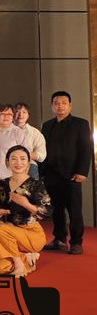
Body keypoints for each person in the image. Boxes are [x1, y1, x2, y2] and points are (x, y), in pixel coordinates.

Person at [41, 91, 93, 255]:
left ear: (70, 106)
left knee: (74, 210)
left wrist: (82, 172)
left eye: (64, 103)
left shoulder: (80, 124)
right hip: (51, 174)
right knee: (56, 210)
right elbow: (42, 150)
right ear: (52, 106)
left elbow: (86, 149)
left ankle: (76, 242)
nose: (60, 106)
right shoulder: (47, 125)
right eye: (56, 103)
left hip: (71, 174)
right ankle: (59, 239)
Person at [0, 145, 52, 276]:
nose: (18, 162)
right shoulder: (1, 184)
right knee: (2, 269)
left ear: (28, 163)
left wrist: (27, 205)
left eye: (22, 159)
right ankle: (25, 256)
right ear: (7, 162)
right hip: (8, 233)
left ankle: (19, 264)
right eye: (14, 159)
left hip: (31, 232)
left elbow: (47, 212)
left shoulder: (36, 185)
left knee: (0, 229)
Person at [0, 104, 27, 181]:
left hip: (10, 175)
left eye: (9, 114)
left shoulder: (17, 132)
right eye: (2, 114)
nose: (6, 116)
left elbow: (26, 155)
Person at [13, 102, 47, 180]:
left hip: (29, 165)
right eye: (17, 111)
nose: (20, 114)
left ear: (28, 115)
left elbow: (42, 155)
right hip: (8, 166)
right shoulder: (6, 131)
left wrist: (22, 156)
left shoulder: (35, 132)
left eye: (24, 112)